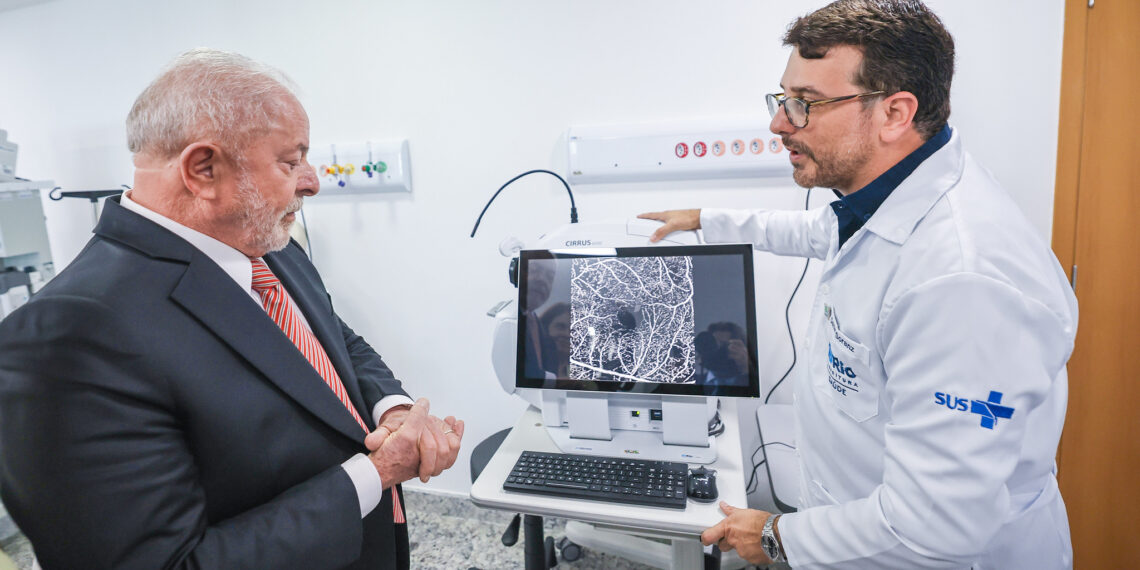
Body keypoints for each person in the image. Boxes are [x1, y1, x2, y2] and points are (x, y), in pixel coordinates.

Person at [641, 1, 1077, 568]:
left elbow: (936, 524)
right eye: (783, 99)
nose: (779, 123)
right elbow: (813, 232)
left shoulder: (961, 284)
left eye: (806, 105)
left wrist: (776, 537)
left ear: (895, 112)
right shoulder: (893, 193)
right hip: (859, 538)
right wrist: (706, 218)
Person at [0, 48, 463, 569]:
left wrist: (392, 409)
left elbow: (335, 341)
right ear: (203, 169)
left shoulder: (267, 245)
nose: (312, 181)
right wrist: (375, 474)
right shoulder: (64, 339)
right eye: (290, 162)